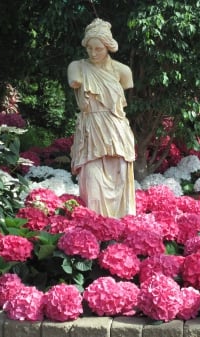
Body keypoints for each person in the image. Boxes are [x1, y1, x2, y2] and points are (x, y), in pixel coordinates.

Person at [67, 18, 136, 218]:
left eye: (98, 48)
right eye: (89, 48)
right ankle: (94, 227)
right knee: (91, 180)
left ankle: (122, 230)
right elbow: (74, 81)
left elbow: (127, 85)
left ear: (108, 46)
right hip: (91, 129)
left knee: (120, 178)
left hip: (116, 128)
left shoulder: (123, 71)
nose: (93, 53)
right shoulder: (77, 67)